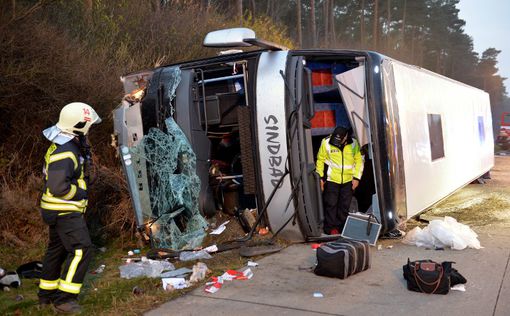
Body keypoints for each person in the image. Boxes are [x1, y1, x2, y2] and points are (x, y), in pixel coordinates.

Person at [38, 102, 101, 313]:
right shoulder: (66, 151)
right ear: (79, 125)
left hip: (56, 210)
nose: (89, 129)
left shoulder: (66, 143)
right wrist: (81, 192)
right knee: (82, 250)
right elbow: (58, 187)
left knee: (56, 251)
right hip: (64, 210)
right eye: (88, 125)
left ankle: (46, 296)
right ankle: (64, 300)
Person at [316, 126, 363, 235]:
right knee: (330, 204)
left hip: (348, 181)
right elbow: (320, 160)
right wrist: (320, 178)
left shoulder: (354, 144)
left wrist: (356, 178)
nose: (337, 142)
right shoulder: (326, 142)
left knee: (344, 206)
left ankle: (341, 229)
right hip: (332, 180)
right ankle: (329, 230)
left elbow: (359, 161)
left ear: (346, 137)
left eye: (340, 139)